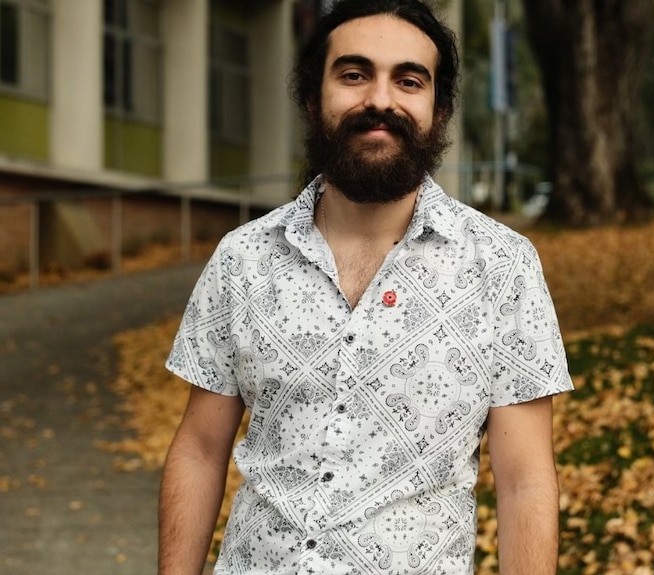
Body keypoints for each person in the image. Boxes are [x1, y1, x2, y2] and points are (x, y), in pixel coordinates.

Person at [158, 1, 572, 573]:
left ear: (439, 109)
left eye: (408, 80)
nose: (380, 100)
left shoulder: (502, 268)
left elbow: (525, 483)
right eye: (354, 75)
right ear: (311, 97)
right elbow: (200, 450)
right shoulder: (242, 260)